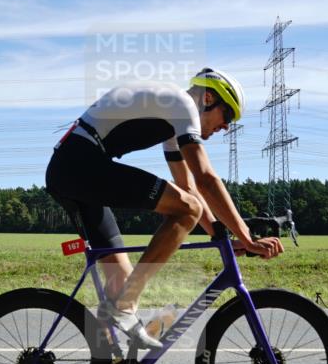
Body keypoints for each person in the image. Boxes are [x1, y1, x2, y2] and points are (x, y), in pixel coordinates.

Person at [46, 67, 283, 349]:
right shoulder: (182, 105)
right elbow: (205, 179)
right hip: (78, 165)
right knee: (186, 212)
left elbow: (189, 187)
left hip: (75, 168)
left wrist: (221, 238)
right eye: (228, 115)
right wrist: (246, 236)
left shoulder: (173, 120)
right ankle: (127, 303)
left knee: (120, 283)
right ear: (209, 98)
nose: (226, 127)